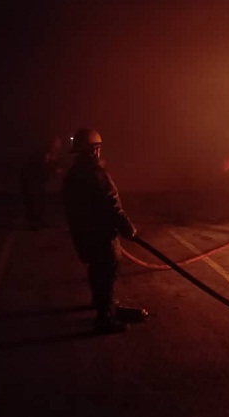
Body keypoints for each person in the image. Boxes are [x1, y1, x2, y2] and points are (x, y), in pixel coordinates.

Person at [62, 128, 147, 334]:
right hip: (101, 235)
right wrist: (129, 229)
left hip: (84, 235)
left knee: (97, 269)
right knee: (107, 270)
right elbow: (111, 205)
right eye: (98, 148)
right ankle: (104, 317)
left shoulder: (73, 175)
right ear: (94, 150)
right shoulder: (96, 174)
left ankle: (104, 304)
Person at [20, 135, 63, 230]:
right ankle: (35, 223)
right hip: (32, 182)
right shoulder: (44, 154)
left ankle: (37, 222)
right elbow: (42, 169)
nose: (58, 146)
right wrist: (54, 169)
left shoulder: (49, 155)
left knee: (38, 201)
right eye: (57, 144)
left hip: (37, 182)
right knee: (35, 201)